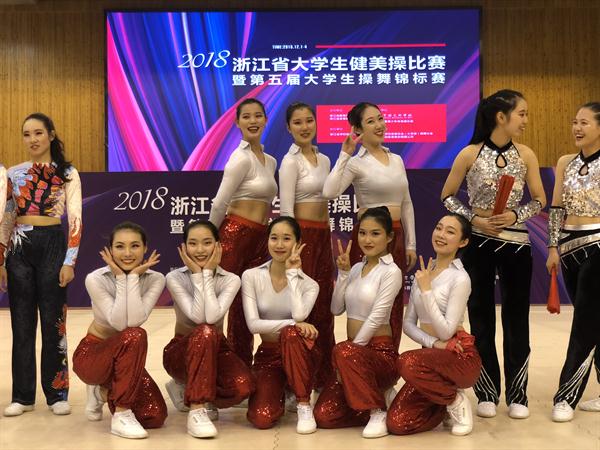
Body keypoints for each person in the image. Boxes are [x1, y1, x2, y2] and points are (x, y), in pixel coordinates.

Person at [441, 89, 546, 419]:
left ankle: (518, 394)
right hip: (479, 243)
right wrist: (474, 219)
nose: (525, 120)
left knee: (517, 318)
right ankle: (486, 391)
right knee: (480, 316)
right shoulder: (469, 153)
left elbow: (540, 199)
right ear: (501, 117)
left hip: (516, 243)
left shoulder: (526, 154)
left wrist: (515, 215)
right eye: (522, 114)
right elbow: (447, 196)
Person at [0, 113, 82, 417]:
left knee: (53, 323)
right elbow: (8, 217)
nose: (32, 139)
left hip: (52, 246)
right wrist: (1, 259)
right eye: (26, 134)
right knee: (21, 325)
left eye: (38, 133)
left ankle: (56, 393)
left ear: (51, 134)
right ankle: (22, 396)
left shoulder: (67, 173)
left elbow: (76, 219)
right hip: (19, 248)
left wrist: (69, 260)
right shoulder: (14, 173)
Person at [322, 102, 416, 351]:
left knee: (392, 304)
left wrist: (411, 243)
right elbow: (329, 192)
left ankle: (388, 358)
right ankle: (357, 354)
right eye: (371, 121)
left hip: (395, 235)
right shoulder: (356, 163)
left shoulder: (397, 159)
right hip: (369, 237)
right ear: (358, 130)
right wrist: (345, 154)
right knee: (363, 299)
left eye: (380, 118)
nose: (379, 125)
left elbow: (406, 203)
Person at [387, 214, 481, 436]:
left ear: (463, 242)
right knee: (397, 423)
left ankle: (455, 400)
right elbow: (408, 324)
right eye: (439, 228)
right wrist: (434, 344)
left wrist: (427, 290)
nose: (441, 234)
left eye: (450, 232)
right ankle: (442, 403)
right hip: (429, 362)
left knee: (406, 361)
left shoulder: (460, 278)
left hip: (458, 357)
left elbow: (446, 332)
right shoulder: (424, 274)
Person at [72, 222, 167, 439]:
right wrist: (123, 279)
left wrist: (131, 277)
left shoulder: (156, 279)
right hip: (93, 356)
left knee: (154, 415)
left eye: (135, 246)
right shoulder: (95, 279)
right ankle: (121, 414)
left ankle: (101, 392)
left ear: (145, 248)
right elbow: (119, 324)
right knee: (135, 334)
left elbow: (134, 319)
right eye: (120, 246)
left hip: (126, 358)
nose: (127, 253)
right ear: (110, 249)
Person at [314, 207, 402, 439]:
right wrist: (343, 274)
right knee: (323, 416)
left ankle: (377, 411)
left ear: (389, 237)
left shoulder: (391, 272)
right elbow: (335, 309)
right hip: (352, 354)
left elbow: (377, 315)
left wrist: (350, 352)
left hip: (379, 354)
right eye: (362, 233)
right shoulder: (355, 268)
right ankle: (378, 397)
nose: (367, 240)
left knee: (342, 350)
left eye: (375, 233)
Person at [163, 220, 254, 437]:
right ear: (184, 247)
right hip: (181, 352)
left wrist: (205, 274)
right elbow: (199, 318)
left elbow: (212, 316)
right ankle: (197, 408)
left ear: (218, 246)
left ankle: (193, 388)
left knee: (244, 387)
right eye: (193, 243)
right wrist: (198, 274)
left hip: (217, 349)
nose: (200, 250)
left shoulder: (231, 280)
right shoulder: (174, 278)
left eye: (207, 242)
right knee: (204, 331)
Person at [209, 98, 278, 367]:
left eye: (258, 115)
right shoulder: (239, 159)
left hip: (260, 238)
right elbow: (219, 203)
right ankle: (211, 366)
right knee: (219, 304)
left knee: (246, 305)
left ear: (265, 120)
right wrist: (210, 238)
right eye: (246, 116)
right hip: (235, 234)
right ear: (237, 122)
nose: (253, 121)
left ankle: (240, 366)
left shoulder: (270, 161)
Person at [546, 102, 600, 422]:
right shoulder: (565, 162)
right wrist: (553, 246)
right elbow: (556, 208)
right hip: (568, 248)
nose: (577, 128)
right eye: (574, 122)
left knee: (584, 323)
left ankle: (566, 396)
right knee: (594, 321)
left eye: (584, 122)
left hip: (599, 245)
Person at [242, 217, 319, 434]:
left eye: (286, 239)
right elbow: (253, 325)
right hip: (268, 355)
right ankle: (283, 390)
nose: (279, 245)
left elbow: (300, 314)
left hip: (301, 354)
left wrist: (293, 274)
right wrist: (295, 324)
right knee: (261, 418)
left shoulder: (310, 285)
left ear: (298, 243)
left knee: (292, 335)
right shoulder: (251, 276)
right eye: (274, 238)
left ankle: (303, 403)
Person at [279, 102, 335, 389]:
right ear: (288, 128)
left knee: (324, 304)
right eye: (297, 122)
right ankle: (297, 378)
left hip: (323, 236)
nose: (304, 127)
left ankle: (324, 376)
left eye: (309, 121)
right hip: (303, 238)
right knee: (302, 306)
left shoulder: (324, 160)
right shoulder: (290, 162)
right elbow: (286, 209)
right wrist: (291, 244)